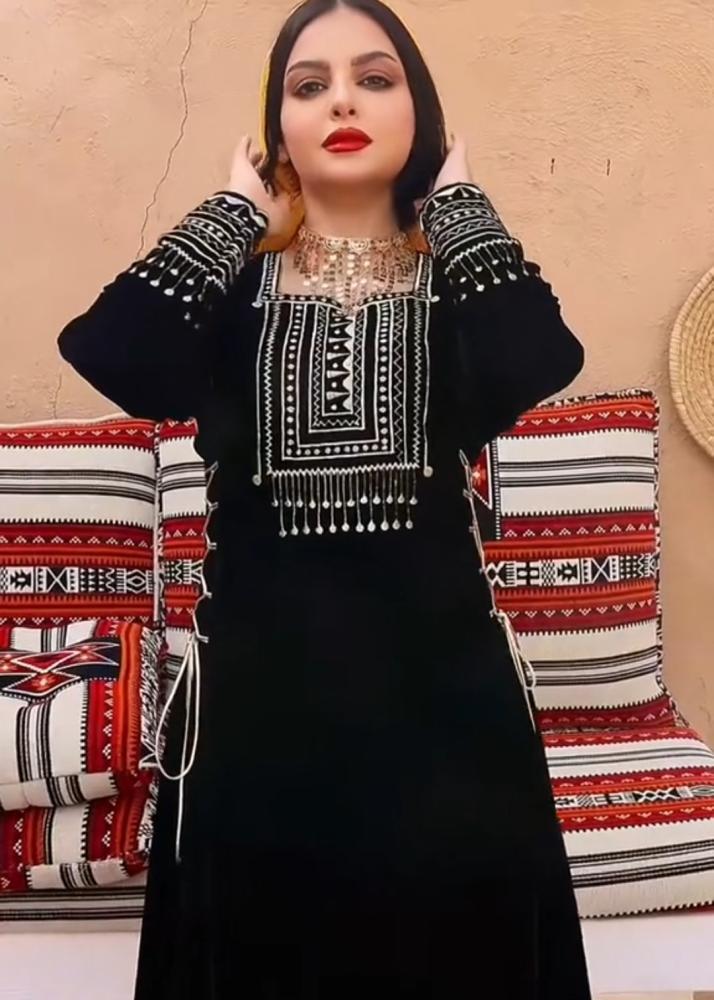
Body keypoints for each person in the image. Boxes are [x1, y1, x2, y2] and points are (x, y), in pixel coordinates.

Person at [58, 0, 592, 996]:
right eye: (309, 87)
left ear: (419, 113)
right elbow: (113, 354)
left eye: (375, 79)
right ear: (279, 129)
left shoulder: (459, 293)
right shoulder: (231, 300)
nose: (342, 101)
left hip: (448, 725)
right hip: (257, 725)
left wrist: (458, 205)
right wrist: (232, 215)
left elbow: (537, 357)